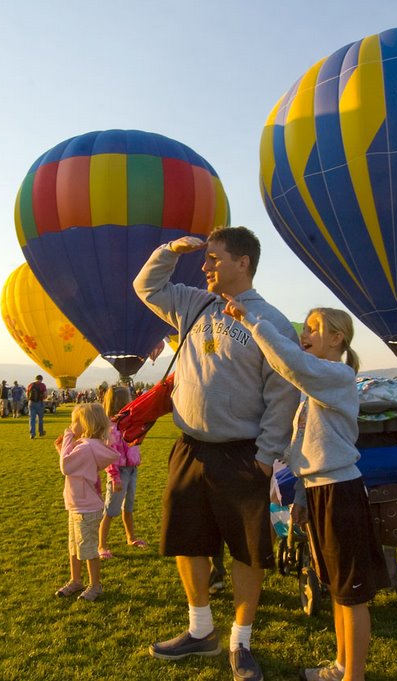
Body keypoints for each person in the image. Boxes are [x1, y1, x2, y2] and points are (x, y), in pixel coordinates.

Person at [134, 226, 300, 681]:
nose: (204, 265)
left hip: (244, 453)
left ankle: (240, 642)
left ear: (242, 263)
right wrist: (169, 250)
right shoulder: (193, 303)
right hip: (190, 447)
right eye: (204, 259)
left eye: (214, 258)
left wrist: (266, 456)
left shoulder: (272, 321)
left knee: (248, 552)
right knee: (187, 540)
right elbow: (146, 286)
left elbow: (282, 394)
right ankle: (200, 629)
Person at [222, 299, 388, 681]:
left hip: (340, 493)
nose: (304, 334)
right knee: (335, 588)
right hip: (319, 490)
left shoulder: (336, 376)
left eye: (313, 328)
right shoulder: (318, 380)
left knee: (352, 593)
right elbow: (305, 447)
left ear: (337, 338)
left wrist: (252, 319)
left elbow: (290, 364)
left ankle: (353, 676)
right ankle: (342, 666)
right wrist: (300, 497)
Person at [54, 402, 120, 602]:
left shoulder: (87, 447)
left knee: (88, 548)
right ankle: (76, 580)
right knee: (74, 547)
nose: (72, 425)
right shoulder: (88, 446)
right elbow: (71, 463)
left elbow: (66, 466)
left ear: (87, 423)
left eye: (76, 421)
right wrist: (67, 443)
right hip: (77, 504)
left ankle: (95, 585)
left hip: (85, 506)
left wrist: (68, 435)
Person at [98, 385, 148, 559]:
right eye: (129, 398)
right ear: (123, 402)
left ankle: (131, 537)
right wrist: (114, 477)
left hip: (132, 469)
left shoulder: (130, 422)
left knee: (129, 506)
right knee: (110, 510)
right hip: (119, 472)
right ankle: (101, 545)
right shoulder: (112, 426)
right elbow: (109, 455)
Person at [27, 375, 47, 439]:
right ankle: (40, 432)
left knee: (32, 419)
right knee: (40, 419)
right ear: (41, 379)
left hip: (31, 403)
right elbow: (45, 395)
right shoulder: (42, 385)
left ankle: (32, 434)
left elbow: (27, 394)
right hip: (39, 403)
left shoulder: (30, 385)